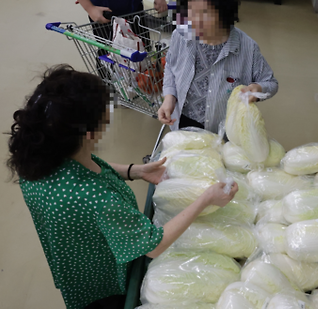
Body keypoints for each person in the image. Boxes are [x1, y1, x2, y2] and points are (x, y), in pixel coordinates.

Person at [7, 65, 238, 309]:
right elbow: (154, 245)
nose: (109, 115)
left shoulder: (39, 158)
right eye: (104, 114)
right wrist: (205, 199)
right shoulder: (96, 199)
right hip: (102, 280)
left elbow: (87, 169)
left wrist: (134, 171)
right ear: (88, 134)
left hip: (73, 265)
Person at [157, 0, 278, 133]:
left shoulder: (247, 47)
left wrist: (258, 88)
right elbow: (171, 66)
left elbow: (270, 83)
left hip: (222, 131)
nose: (195, 21)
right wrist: (169, 98)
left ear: (224, 12)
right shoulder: (181, 34)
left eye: (205, 13)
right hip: (182, 121)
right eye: (191, 11)